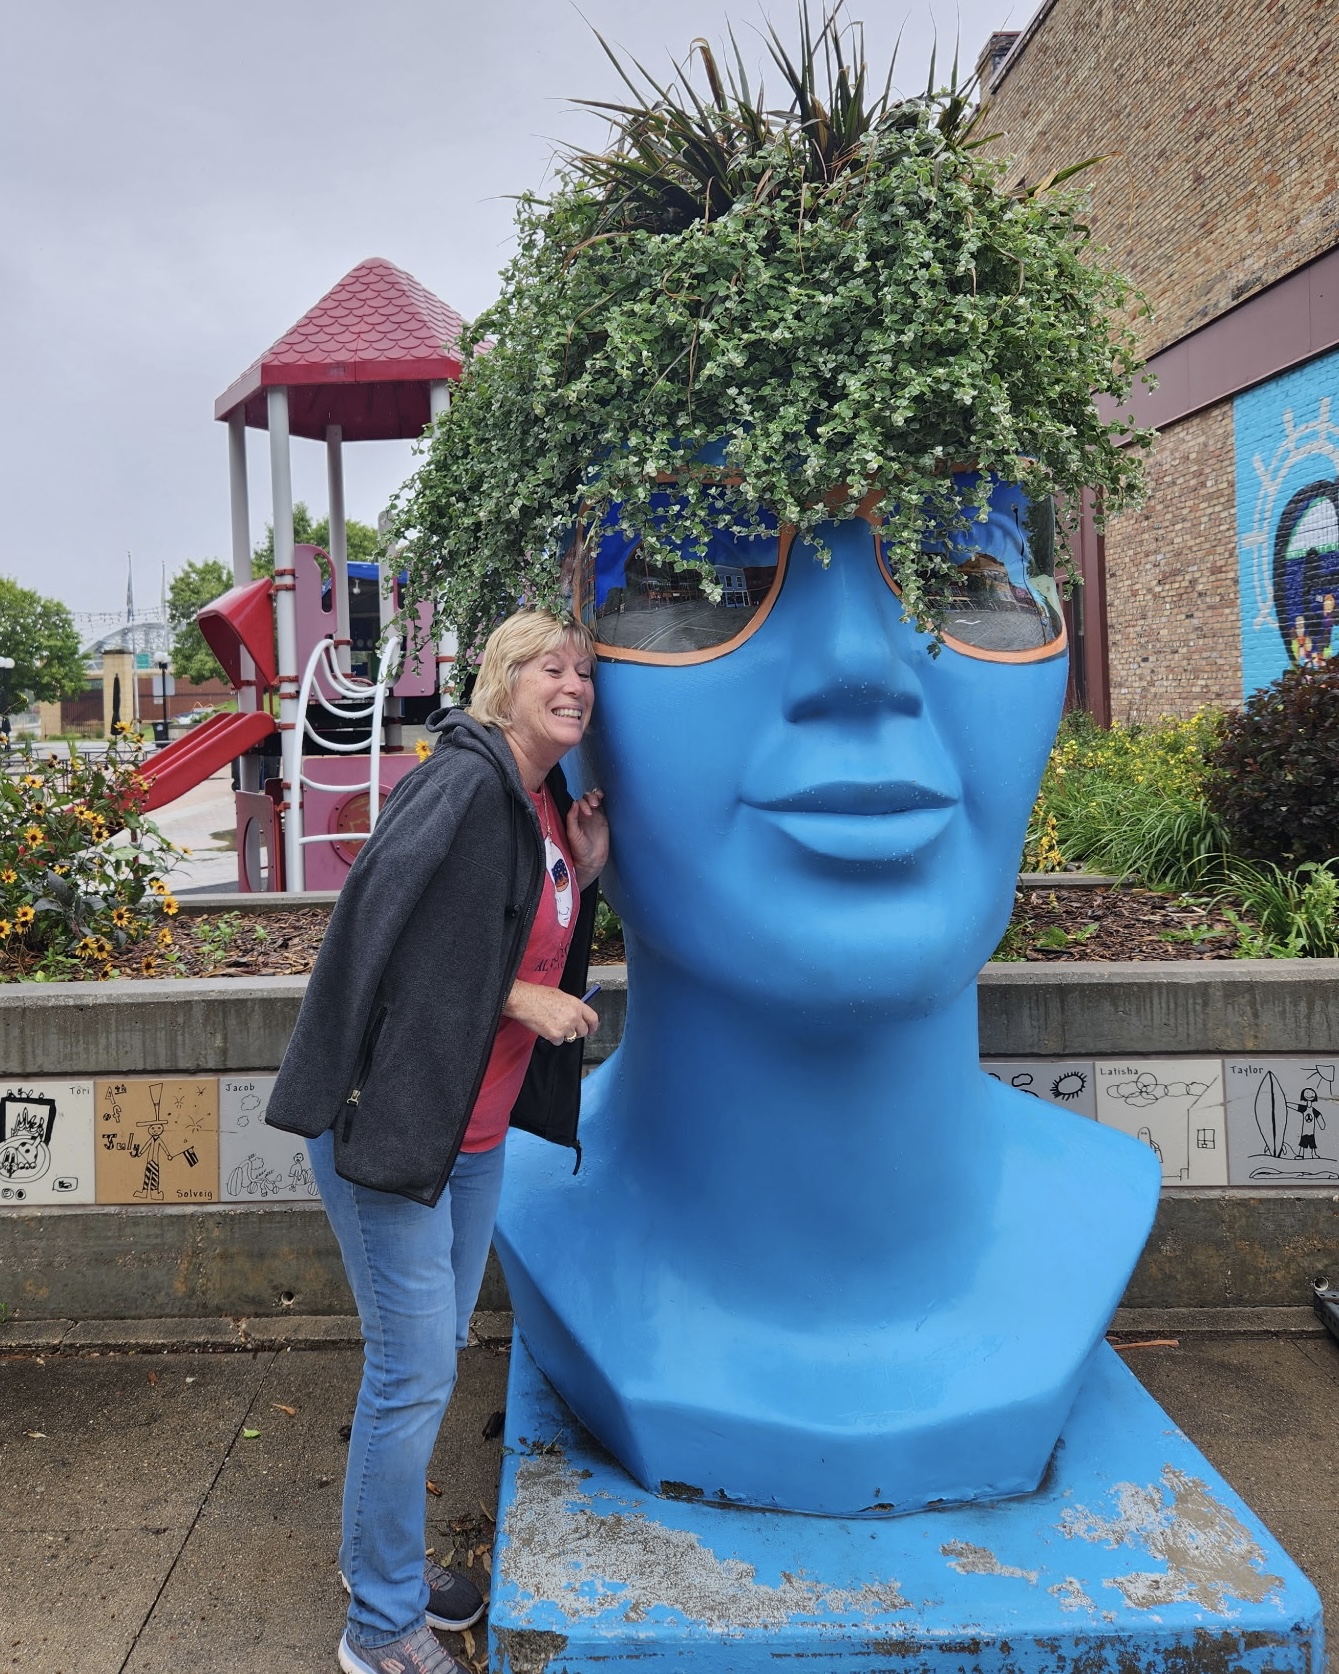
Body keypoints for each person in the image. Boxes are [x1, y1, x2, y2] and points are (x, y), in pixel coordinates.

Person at [265, 609, 609, 1674]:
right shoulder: (461, 781)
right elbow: (379, 931)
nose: (574, 685)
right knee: (410, 1373)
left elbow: (504, 923)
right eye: (551, 667)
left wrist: (584, 871)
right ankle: (379, 1626)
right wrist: (518, 997)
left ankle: (385, 1565)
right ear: (503, 679)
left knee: (428, 1360)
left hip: (471, 1134)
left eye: (584, 672)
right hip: (393, 1125)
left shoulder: (538, 802)